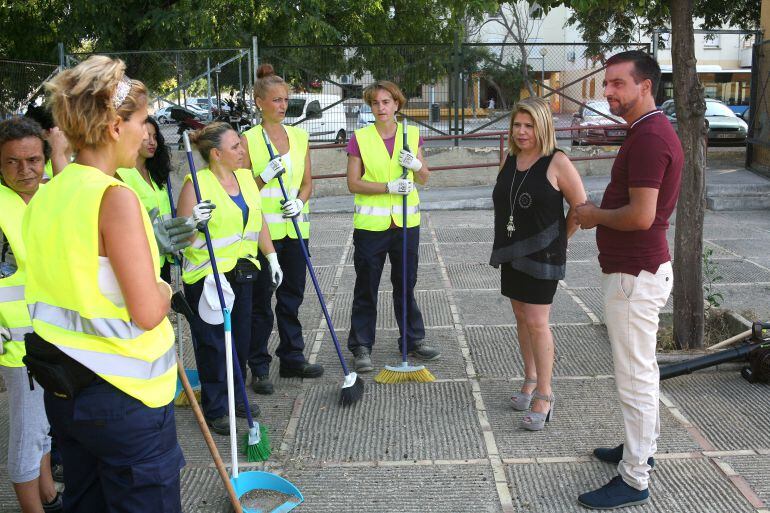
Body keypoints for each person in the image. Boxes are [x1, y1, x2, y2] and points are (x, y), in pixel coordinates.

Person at [23, 55, 191, 512]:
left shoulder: (48, 194)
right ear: (115, 126)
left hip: (65, 390)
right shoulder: (114, 197)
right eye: (141, 121)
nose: (146, 132)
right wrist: (162, 288)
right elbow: (148, 311)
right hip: (125, 398)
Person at [574, 50, 682, 509]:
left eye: (618, 83)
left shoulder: (650, 137)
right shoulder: (646, 131)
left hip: (634, 276)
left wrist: (593, 214)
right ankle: (642, 448)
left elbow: (641, 217)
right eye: (606, 83)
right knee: (643, 371)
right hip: (638, 272)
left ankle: (635, 477)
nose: (608, 91)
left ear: (645, 86)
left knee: (633, 378)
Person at [177, 121, 282, 434]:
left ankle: (236, 397)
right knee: (213, 344)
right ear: (216, 154)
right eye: (235, 146)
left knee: (239, 339)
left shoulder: (246, 178)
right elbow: (181, 238)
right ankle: (216, 407)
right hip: (207, 276)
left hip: (243, 272)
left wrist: (271, 256)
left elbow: (258, 220)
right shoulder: (196, 184)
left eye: (241, 144)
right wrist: (192, 223)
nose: (242, 150)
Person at [490, 97, 586, 431]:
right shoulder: (510, 158)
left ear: (543, 127)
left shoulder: (557, 161)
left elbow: (581, 207)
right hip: (512, 251)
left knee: (537, 322)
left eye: (529, 126)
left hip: (543, 256)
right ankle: (529, 379)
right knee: (521, 317)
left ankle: (545, 395)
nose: (521, 131)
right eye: (517, 125)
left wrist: (560, 240)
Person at [241, 63, 324, 395]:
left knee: (292, 298)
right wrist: (263, 177)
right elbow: (241, 192)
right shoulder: (248, 140)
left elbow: (307, 183)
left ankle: (292, 357)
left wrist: (300, 203)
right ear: (259, 102)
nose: (283, 105)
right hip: (264, 236)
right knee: (261, 302)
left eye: (285, 99)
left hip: (295, 230)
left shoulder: (299, 137)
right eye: (276, 100)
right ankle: (259, 367)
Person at [345, 80, 439, 373]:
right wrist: (388, 186)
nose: (381, 108)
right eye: (375, 103)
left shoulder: (412, 135)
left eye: (386, 102)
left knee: (405, 283)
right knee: (366, 286)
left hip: (406, 224)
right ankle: (361, 346)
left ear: (397, 104)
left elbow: (424, 177)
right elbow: (353, 183)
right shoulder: (360, 138)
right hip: (371, 227)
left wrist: (415, 165)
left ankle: (412, 339)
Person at [0, 117, 62, 512]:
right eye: (12, 162)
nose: (25, 170)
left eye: (33, 160)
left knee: (43, 426)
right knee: (27, 434)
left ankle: (49, 495)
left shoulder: (50, 195)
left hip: (52, 334)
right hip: (16, 342)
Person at [116, 115, 178, 282]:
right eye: (146, 137)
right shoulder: (120, 174)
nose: (152, 142)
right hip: (140, 259)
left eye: (155, 137)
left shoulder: (156, 172)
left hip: (163, 255)